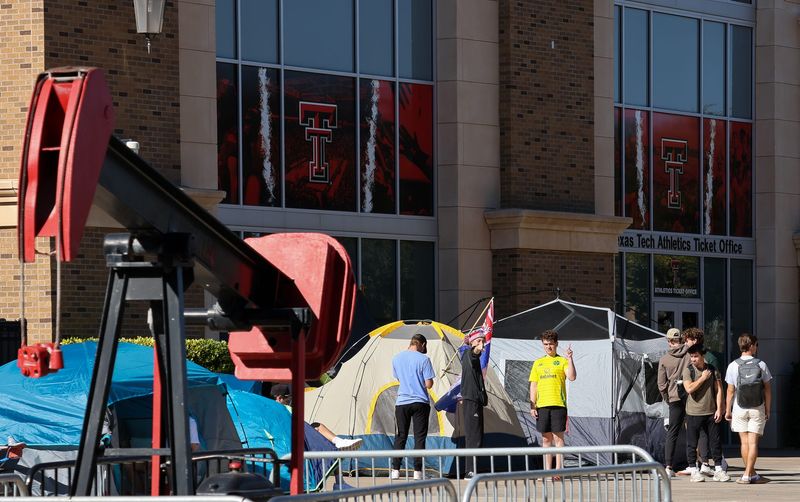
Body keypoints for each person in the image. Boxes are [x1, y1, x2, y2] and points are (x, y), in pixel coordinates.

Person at [725, 333, 772, 484]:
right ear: (751, 346)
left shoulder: (733, 365)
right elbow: (767, 389)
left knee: (744, 443)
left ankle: (750, 474)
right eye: (756, 345)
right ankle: (748, 475)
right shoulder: (761, 364)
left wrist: (727, 409)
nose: (757, 348)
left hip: (739, 407)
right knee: (753, 443)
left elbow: (730, 391)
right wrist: (768, 409)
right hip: (757, 407)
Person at [529, 330, 576, 477]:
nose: (548, 347)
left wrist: (569, 359)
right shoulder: (538, 362)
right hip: (542, 405)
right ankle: (547, 471)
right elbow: (533, 385)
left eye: (551, 344)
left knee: (558, 438)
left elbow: (572, 377)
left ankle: (558, 471)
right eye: (545, 344)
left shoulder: (562, 361)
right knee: (545, 438)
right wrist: (532, 405)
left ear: (556, 344)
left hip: (558, 404)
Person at [681, 344, 729, 482]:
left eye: (696, 356)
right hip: (693, 412)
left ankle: (719, 469)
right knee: (692, 443)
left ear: (703, 356)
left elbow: (719, 389)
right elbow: (689, 388)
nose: (693, 359)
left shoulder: (713, 370)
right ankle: (694, 470)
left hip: (711, 412)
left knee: (716, 441)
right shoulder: (688, 370)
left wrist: (720, 408)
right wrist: (702, 378)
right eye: (691, 356)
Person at [390, 334, 435, 480]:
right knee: (419, 438)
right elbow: (429, 384)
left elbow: (398, 378)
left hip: (402, 402)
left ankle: (395, 470)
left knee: (400, 436)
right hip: (420, 402)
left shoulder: (396, 358)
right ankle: (418, 472)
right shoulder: (424, 359)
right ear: (422, 344)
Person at [270, 384, 363, 451]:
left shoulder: (280, 409)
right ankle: (338, 442)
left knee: (318, 428)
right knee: (319, 432)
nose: (288, 401)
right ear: (279, 398)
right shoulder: (279, 410)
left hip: (296, 437)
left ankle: (338, 442)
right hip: (289, 440)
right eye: (286, 399)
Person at [657, 327, 690, 477]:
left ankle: (668, 466)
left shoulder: (664, 359)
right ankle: (696, 465)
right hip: (691, 398)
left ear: (669, 342)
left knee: (672, 432)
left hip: (674, 399)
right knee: (695, 431)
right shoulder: (690, 354)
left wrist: (667, 398)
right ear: (681, 340)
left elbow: (661, 384)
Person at [461, 329, 488, 479]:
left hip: (474, 399)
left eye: (483, 341)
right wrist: (477, 348)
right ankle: (470, 470)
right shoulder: (469, 354)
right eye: (479, 340)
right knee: (473, 436)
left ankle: (473, 469)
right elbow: (473, 353)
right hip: (471, 399)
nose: (482, 343)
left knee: (477, 435)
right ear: (472, 343)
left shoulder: (466, 353)